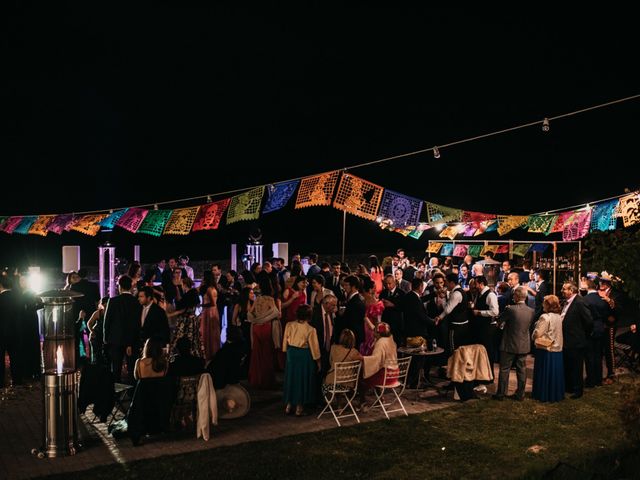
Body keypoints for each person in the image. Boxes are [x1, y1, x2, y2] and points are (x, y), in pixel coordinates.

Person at [492, 286, 534, 401]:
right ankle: (520, 394)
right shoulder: (531, 311)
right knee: (522, 370)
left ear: (516, 296)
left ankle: (501, 393)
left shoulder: (510, 309)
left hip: (509, 343)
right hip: (523, 343)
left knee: (505, 369)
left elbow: (499, 321)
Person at [283, 305, 321, 416]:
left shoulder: (289, 325)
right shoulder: (310, 329)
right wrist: (318, 362)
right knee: (301, 380)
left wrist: (286, 351)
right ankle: (299, 407)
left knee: (291, 378)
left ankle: (289, 405)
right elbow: (315, 347)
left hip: (291, 353)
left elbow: (285, 340)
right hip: (304, 355)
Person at [531, 295, 565, 403]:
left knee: (544, 372)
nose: (542, 305)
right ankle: (555, 394)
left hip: (545, 349)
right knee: (555, 374)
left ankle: (543, 393)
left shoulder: (545, 317)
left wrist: (533, 333)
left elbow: (537, 333)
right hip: (557, 349)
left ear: (548, 305)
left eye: (544, 303)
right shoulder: (558, 316)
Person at [360, 322, 398, 408]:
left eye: (374, 331)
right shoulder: (391, 340)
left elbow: (376, 359)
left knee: (362, 377)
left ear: (378, 333)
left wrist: (363, 359)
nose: (373, 333)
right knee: (376, 371)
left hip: (386, 377)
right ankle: (381, 398)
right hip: (394, 375)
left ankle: (362, 402)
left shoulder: (381, 343)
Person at [323, 329, 362, 393]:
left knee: (323, 382)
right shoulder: (355, 352)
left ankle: (331, 400)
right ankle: (340, 400)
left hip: (333, 384)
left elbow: (331, 362)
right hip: (349, 385)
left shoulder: (333, 348)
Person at [199, 271, 221, 361]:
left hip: (209, 312)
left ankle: (209, 353)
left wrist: (202, 306)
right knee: (212, 332)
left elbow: (213, 303)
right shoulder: (213, 288)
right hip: (212, 311)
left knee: (208, 332)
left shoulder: (209, 289)